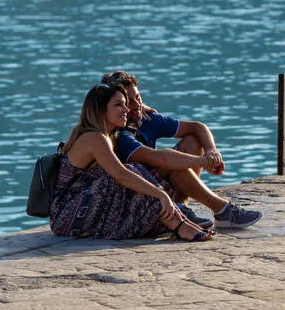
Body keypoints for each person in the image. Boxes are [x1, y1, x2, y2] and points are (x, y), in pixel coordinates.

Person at [49, 83, 213, 242]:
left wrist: (142, 108)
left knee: (139, 174)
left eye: (126, 104)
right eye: (119, 105)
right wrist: (161, 194)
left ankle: (177, 221)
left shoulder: (108, 135)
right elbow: (121, 174)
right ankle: (180, 226)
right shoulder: (94, 138)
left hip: (86, 207)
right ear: (100, 109)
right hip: (67, 214)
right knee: (130, 171)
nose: (126, 109)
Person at [101, 71, 262, 229]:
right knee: (171, 164)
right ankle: (223, 210)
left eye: (138, 98)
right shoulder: (118, 135)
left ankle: (181, 207)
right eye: (128, 102)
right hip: (130, 202)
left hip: (156, 189)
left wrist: (211, 151)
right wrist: (204, 162)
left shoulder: (145, 119)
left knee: (193, 140)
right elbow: (161, 159)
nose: (136, 105)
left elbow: (197, 127)